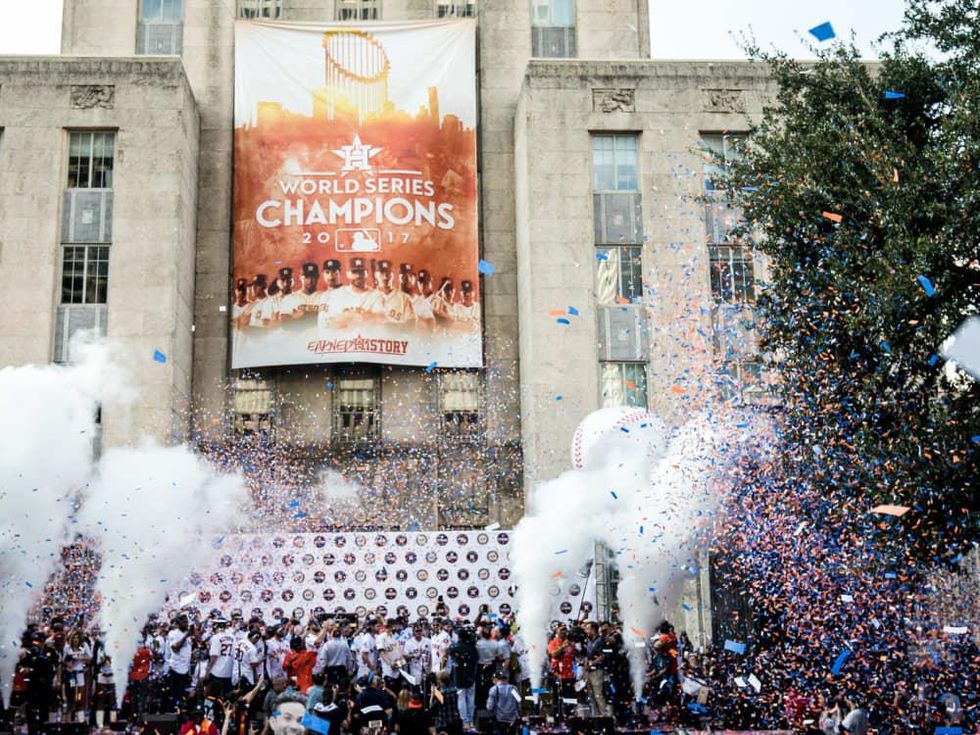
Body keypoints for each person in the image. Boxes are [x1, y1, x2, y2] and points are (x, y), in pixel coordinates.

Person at [448, 627, 477, 729]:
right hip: (470, 676)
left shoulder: (454, 647)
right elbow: (476, 661)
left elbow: (450, 655)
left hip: (459, 676)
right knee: (470, 698)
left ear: (459, 637)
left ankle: (465, 721)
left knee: (461, 699)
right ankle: (471, 720)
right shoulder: (472, 647)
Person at [314, 624, 354, 688]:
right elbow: (349, 659)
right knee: (342, 688)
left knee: (330, 688)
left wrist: (322, 671)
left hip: (330, 670)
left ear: (332, 635)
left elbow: (323, 660)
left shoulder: (327, 645)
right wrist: (349, 670)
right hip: (342, 670)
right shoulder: (344, 644)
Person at [206, 619, 236, 697]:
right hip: (228, 672)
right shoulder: (233, 637)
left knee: (214, 696)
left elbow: (214, 657)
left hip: (216, 672)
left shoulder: (216, 638)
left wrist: (207, 672)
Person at [486, 671, 520, 735]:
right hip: (512, 720)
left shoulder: (494, 689)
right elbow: (519, 703)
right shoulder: (513, 688)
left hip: (499, 720)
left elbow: (489, 707)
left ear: (495, 679)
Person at [429, 670, 462, 735]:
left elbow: (431, 707)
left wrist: (433, 693)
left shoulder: (440, 694)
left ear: (440, 681)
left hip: (443, 723)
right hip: (455, 721)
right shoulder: (455, 690)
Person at [315, 260, 344, 331]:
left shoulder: (347, 293)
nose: (330, 276)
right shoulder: (322, 296)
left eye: (334, 272)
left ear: (340, 273)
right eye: (327, 272)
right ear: (323, 274)